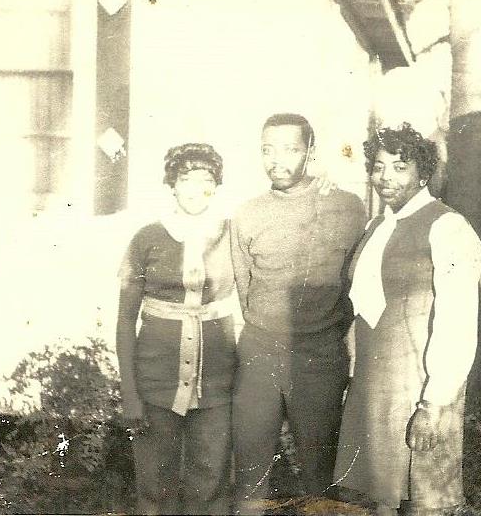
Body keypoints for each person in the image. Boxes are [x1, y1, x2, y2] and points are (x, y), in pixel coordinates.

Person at [332, 123, 481, 516]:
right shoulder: (376, 226)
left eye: (400, 167)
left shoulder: (447, 226)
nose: (386, 178)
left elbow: (457, 322)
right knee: (380, 497)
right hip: (373, 386)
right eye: (379, 167)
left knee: (420, 498)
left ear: (422, 172)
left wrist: (433, 404)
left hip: (418, 384)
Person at [230, 113, 367, 514]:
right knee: (251, 470)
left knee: (320, 474)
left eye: (290, 149)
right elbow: (244, 288)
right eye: (268, 149)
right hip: (260, 349)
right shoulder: (247, 213)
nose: (277, 160)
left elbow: (357, 281)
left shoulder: (346, 207)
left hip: (321, 352)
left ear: (310, 152)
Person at [116, 143, 241, 515]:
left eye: (206, 180)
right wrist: (129, 392)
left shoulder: (231, 234)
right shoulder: (146, 238)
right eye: (186, 179)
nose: (196, 189)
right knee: (155, 485)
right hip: (155, 381)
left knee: (212, 481)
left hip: (216, 382)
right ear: (172, 184)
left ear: (216, 186)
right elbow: (125, 319)